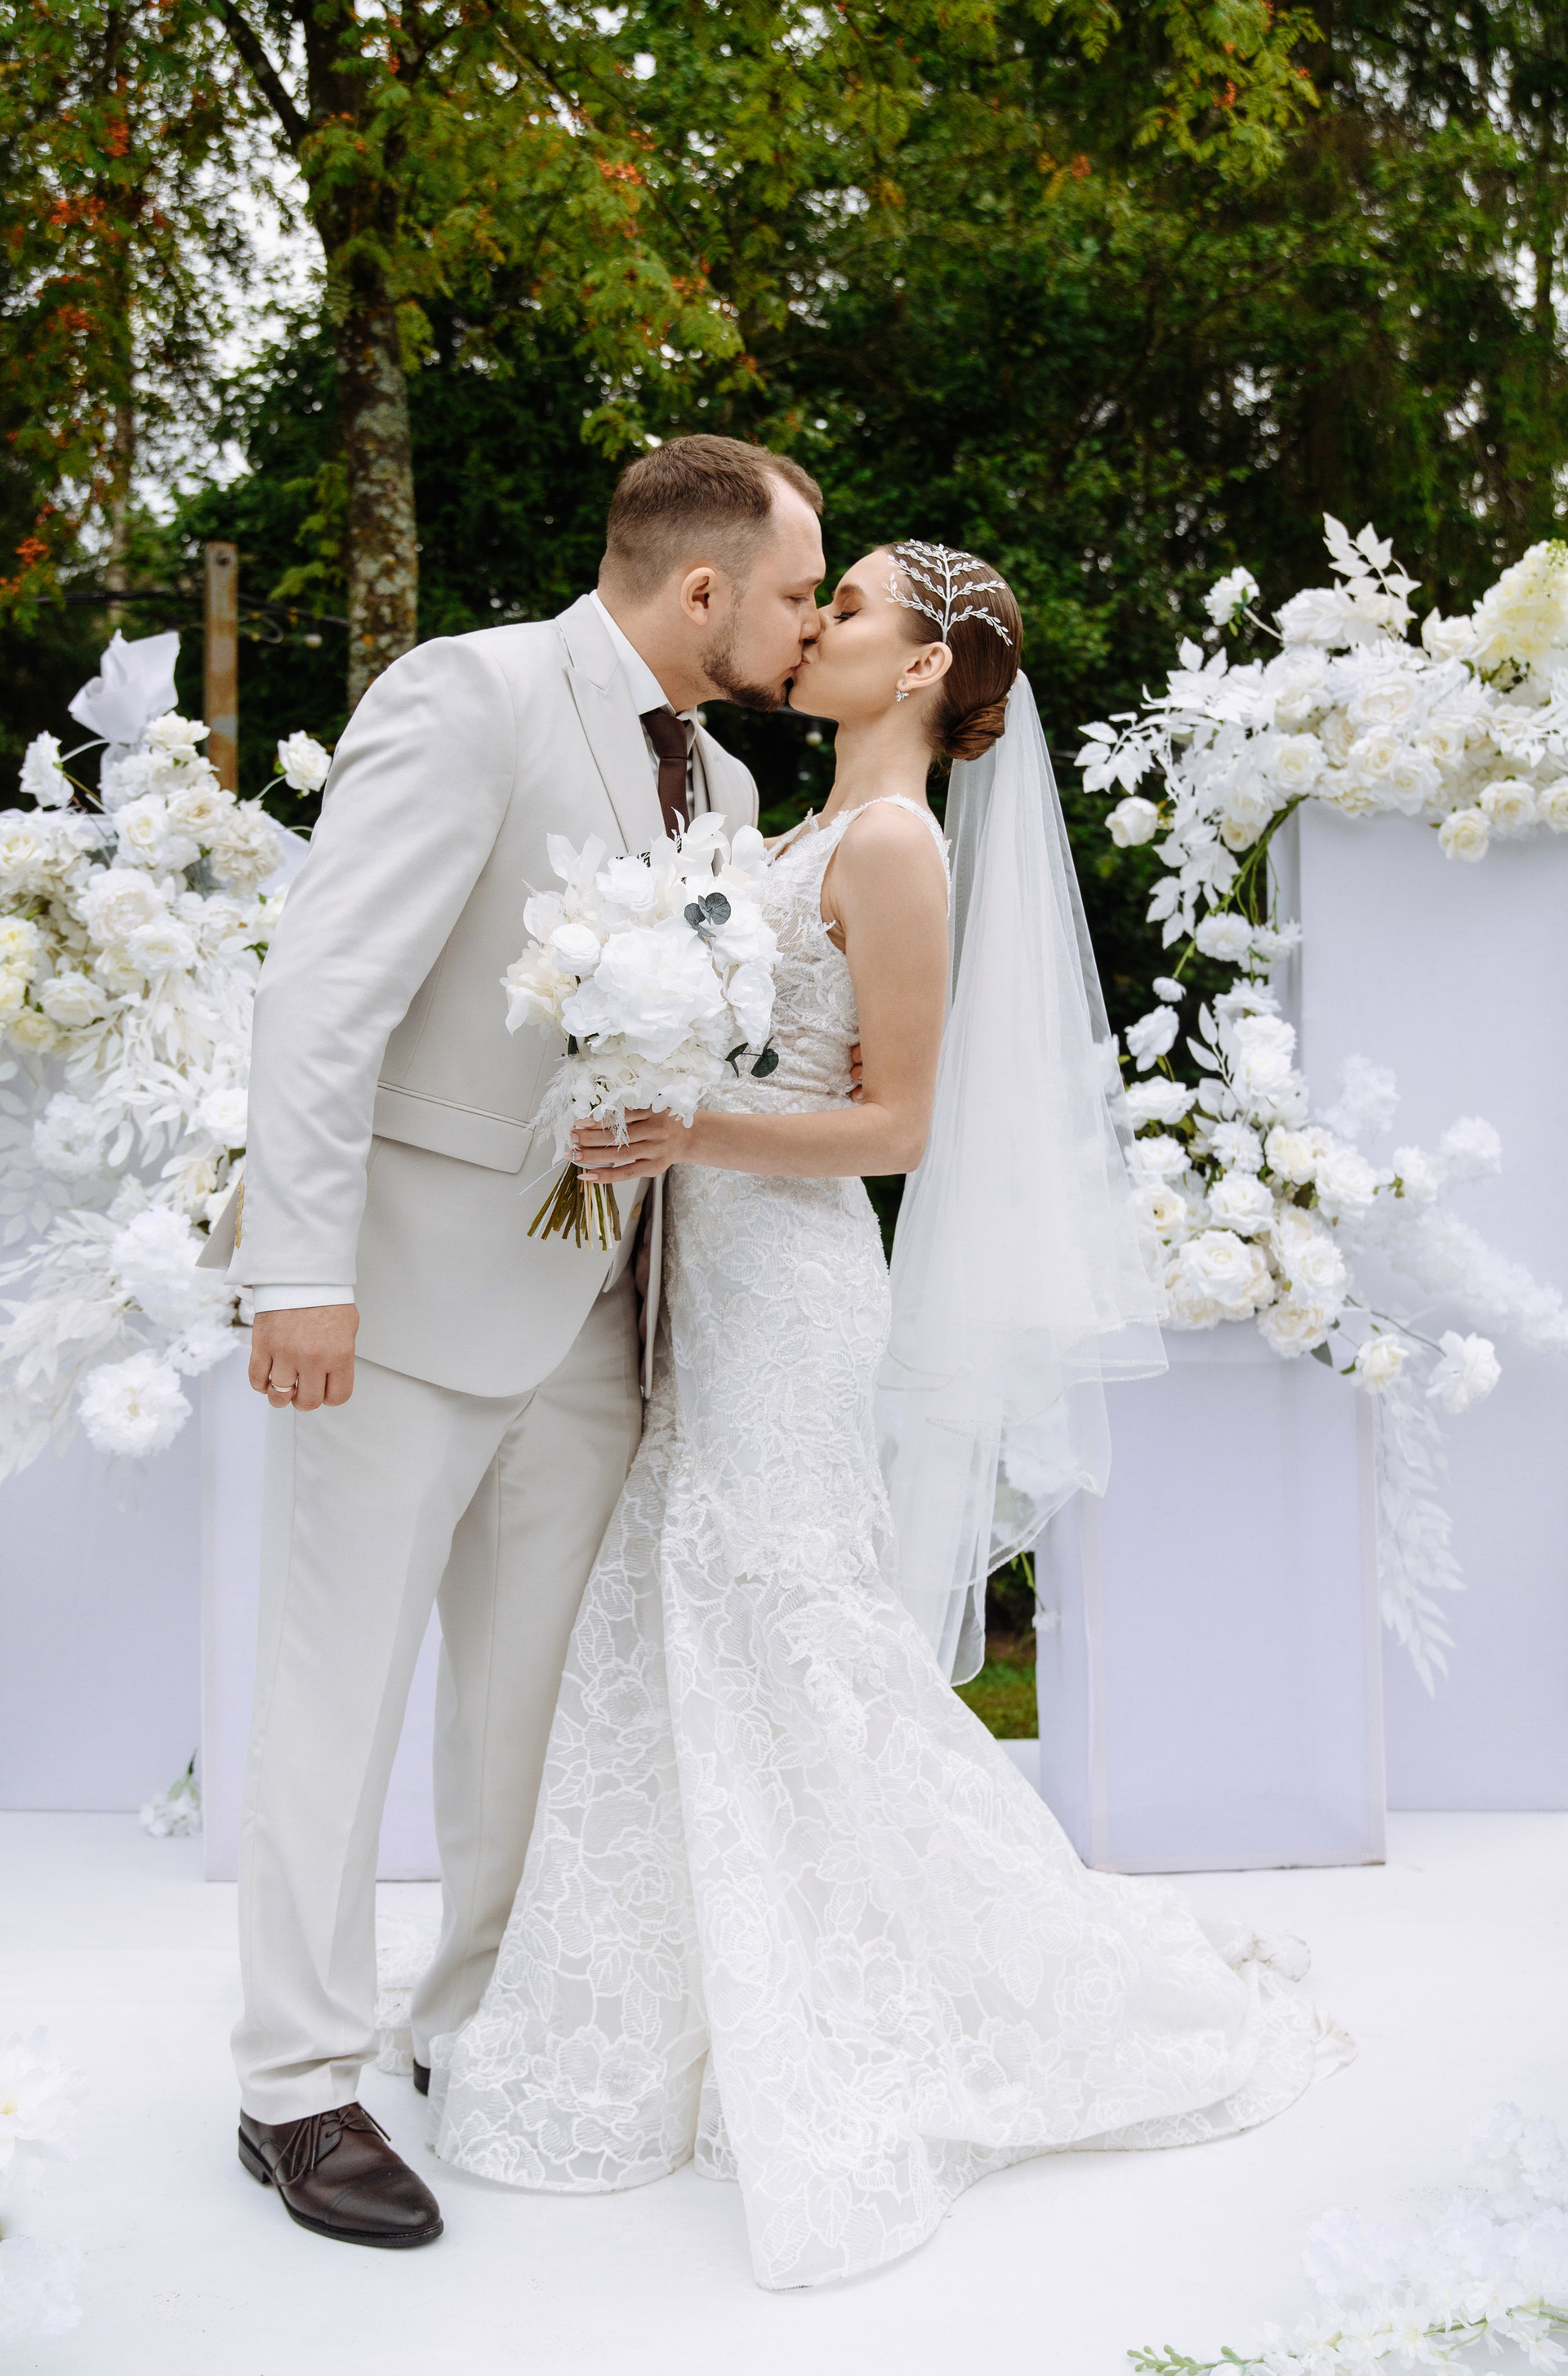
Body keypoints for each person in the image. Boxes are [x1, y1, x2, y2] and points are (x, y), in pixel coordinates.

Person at [426, 540, 1354, 2290]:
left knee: (792, 1618)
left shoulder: (896, 848)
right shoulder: (795, 834)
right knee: (706, 1607)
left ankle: (911, 1990)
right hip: (709, 1274)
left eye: (848, 606)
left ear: (926, 668)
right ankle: (697, 1997)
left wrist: (686, 1123)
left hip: (793, 1289)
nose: (816, 624)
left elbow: (899, 1129)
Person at [217, 435, 826, 2247]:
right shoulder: (472, 695)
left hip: (594, 1312)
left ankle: (472, 2022)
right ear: (703, 588)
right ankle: (293, 2084)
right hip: (400, 1298)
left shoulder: (723, 777)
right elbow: (324, 994)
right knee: (338, 1694)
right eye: (797, 593)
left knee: (524, 1709)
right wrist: (298, 1272)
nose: (808, 626)